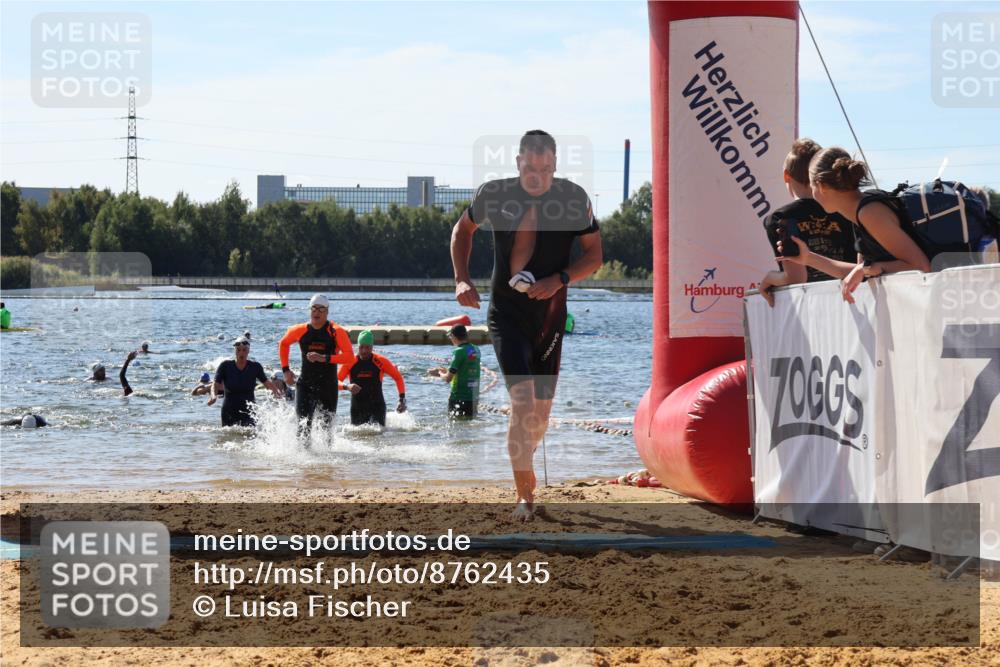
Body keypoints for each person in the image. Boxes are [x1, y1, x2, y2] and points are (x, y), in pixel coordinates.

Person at [450, 129, 603, 520]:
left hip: (550, 318)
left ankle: (525, 451)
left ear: (555, 166)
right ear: (518, 163)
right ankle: (525, 498)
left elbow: (594, 255)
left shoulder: (573, 199)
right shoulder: (495, 195)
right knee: (522, 401)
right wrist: (462, 278)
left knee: (541, 413)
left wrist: (560, 280)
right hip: (506, 315)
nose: (538, 176)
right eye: (531, 168)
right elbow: (461, 230)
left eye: (546, 169)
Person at [780, 147, 931, 304]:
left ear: (822, 186)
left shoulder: (869, 213)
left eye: (812, 186)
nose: (812, 193)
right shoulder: (858, 212)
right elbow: (860, 271)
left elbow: (921, 266)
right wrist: (808, 258)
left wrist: (865, 269)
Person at [758, 139, 856, 306]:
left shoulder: (782, 217)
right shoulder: (845, 211)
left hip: (808, 307)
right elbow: (857, 268)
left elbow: (796, 278)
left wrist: (769, 279)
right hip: (850, 302)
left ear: (786, 176)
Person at [279, 294, 355, 435]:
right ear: (309, 310)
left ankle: (327, 456)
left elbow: (350, 357)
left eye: (321, 309)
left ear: (327, 312)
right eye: (314, 309)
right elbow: (283, 344)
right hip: (306, 385)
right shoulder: (300, 330)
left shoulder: (336, 331)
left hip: (328, 386)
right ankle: (302, 456)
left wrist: (324, 358)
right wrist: (285, 370)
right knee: (302, 427)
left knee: (326, 430)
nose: (317, 312)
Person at [338, 330, 406, 427]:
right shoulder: (350, 362)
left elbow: (398, 378)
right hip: (357, 408)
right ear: (358, 346)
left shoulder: (381, 361)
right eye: (361, 347)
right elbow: (335, 382)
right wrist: (347, 386)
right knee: (356, 437)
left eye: (367, 347)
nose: (364, 351)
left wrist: (401, 399)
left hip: (377, 407)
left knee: (378, 437)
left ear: (372, 347)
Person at [208, 336, 281, 427]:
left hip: (249, 411)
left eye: (244, 350)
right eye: (238, 350)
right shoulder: (225, 366)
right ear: (235, 351)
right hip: (229, 410)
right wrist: (213, 396)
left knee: (250, 436)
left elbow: (267, 383)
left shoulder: (255, 367)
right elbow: (215, 383)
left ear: (248, 351)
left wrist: (278, 394)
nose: (241, 353)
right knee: (227, 437)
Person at [432, 325, 481, 418]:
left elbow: (448, 379)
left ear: (454, 337)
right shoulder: (476, 349)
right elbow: (465, 370)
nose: (450, 339)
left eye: (450, 336)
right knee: (470, 427)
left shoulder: (459, 351)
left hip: (459, 398)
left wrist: (439, 373)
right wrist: (446, 371)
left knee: (455, 428)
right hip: (473, 398)